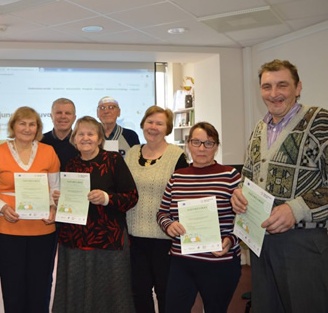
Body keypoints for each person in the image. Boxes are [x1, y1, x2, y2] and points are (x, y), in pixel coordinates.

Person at [231, 59, 328, 313]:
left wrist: (296, 209)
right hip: (261, 241)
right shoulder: (259, 129)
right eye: (267, 87)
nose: (274, 94)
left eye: (282, 85)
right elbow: (248, 176)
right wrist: (239, 193)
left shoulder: (320, 122)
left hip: (304, 241)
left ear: (298, 88)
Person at [52, 116, 139, 313]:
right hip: (74, 241)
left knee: (111, 294)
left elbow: (132, 197)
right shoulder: (71, 164)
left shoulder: (114, 160)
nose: (85, 138)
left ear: (100, 138)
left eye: (90, 134)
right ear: (74, 139)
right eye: (80, 134)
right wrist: (60, 200)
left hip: (108, 240)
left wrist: (107, 198)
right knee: (75, 292)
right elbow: (70, 202)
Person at [157, 122, 242, 313]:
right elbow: (162, 213)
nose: (201, 148)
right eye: (196, 142)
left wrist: (231, 239)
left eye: (208, 143)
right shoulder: (177, 177)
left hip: (219, 262)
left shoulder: (230, 176)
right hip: (182, 261)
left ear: (216, 146)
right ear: (188, 144)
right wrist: (169, 226)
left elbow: (245, 219)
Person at [0, 106, 59, 313]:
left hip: (42, 230)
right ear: (13, 126)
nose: (27, 128)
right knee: (12, 286)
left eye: (32, 124)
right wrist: (2, 207)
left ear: (38, 128)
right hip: (7, 229)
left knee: (40, 286)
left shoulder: (48, 151)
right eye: (22, 123)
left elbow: (55, 188)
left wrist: (54, 209)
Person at [125, 106, 188, 313]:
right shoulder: (132, 152)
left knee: (165, 291)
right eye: (150, 122)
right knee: (139, 292)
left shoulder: (177, 156)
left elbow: (183, 196)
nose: (153, 127)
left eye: (159, 123)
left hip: (165, 237)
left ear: (167, 128)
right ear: (143, 124)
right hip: (134, 236)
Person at [41, 98, 79, 171]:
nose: (63, 116)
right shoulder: (40, 141)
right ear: (51, 116)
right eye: (59, 113)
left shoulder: (81, 142)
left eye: (67, 113)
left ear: (74, 118)